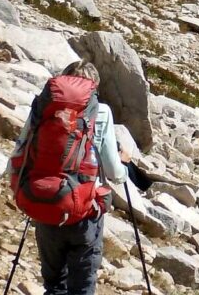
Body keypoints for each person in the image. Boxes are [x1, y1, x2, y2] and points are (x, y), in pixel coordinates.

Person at [9, 61, 126, 295]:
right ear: (94, 87)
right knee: (82, 285)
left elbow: (19, 152)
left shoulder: (43, 108)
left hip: (44, 200)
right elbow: (112, 169)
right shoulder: (101, 112)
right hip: (84, 210)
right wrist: (123, 172)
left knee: (54, 284)